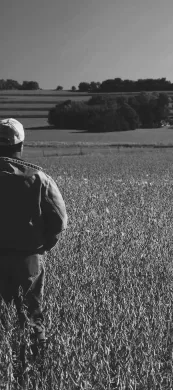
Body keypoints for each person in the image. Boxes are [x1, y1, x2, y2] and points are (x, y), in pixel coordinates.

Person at [0, 118, 68, 366]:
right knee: (31, 313)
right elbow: (59, 220)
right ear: (21, 143)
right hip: (28, 258)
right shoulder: (38, 177)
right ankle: (36, 366)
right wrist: (43, 244)